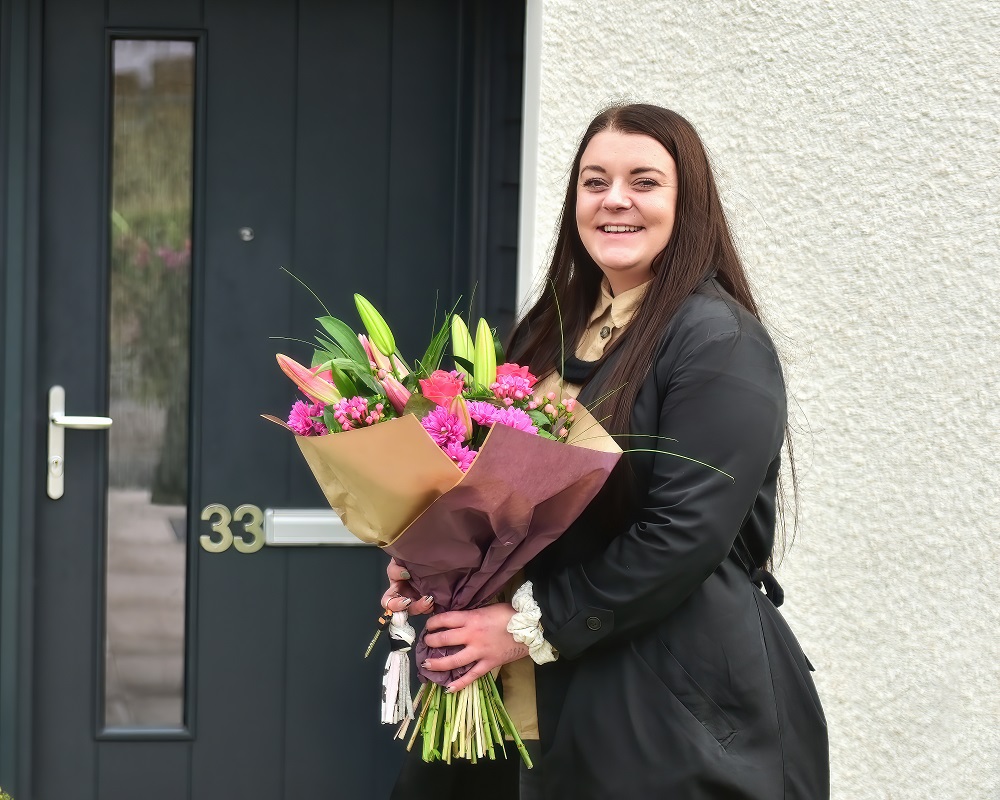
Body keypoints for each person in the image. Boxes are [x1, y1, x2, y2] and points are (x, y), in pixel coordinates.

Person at [383, 103, 829, 799]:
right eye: (594, 182)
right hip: (512, 705)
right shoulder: (549, 331)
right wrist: (436, 567)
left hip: (664, 706)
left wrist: (528, 627)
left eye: (644, 181)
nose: (614, 200)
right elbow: (487, 497)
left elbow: (683, 534)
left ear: (689, 205)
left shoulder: (719, 343)